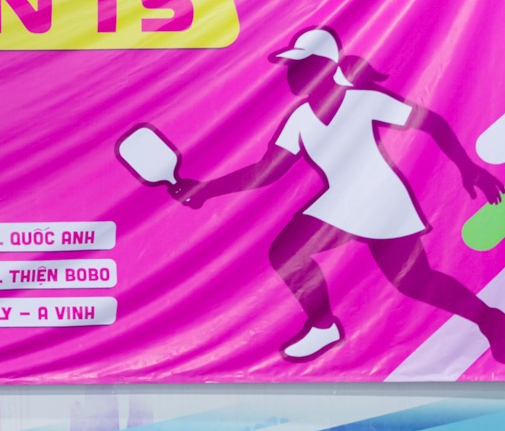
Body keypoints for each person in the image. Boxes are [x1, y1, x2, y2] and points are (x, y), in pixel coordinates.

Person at [169, 26, 505, 361]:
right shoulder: (300, 118)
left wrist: (468, 168)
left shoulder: (363, 100)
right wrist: (206, 189)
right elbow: (267, 170)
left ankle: (490, 319)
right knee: (288, 252)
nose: (292, 73)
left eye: (302, 65)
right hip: (341, 203)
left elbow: (430, 122)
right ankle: (323, 326)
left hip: (382, 201)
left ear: (327, 67)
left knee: (415, 281)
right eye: (292, 67)